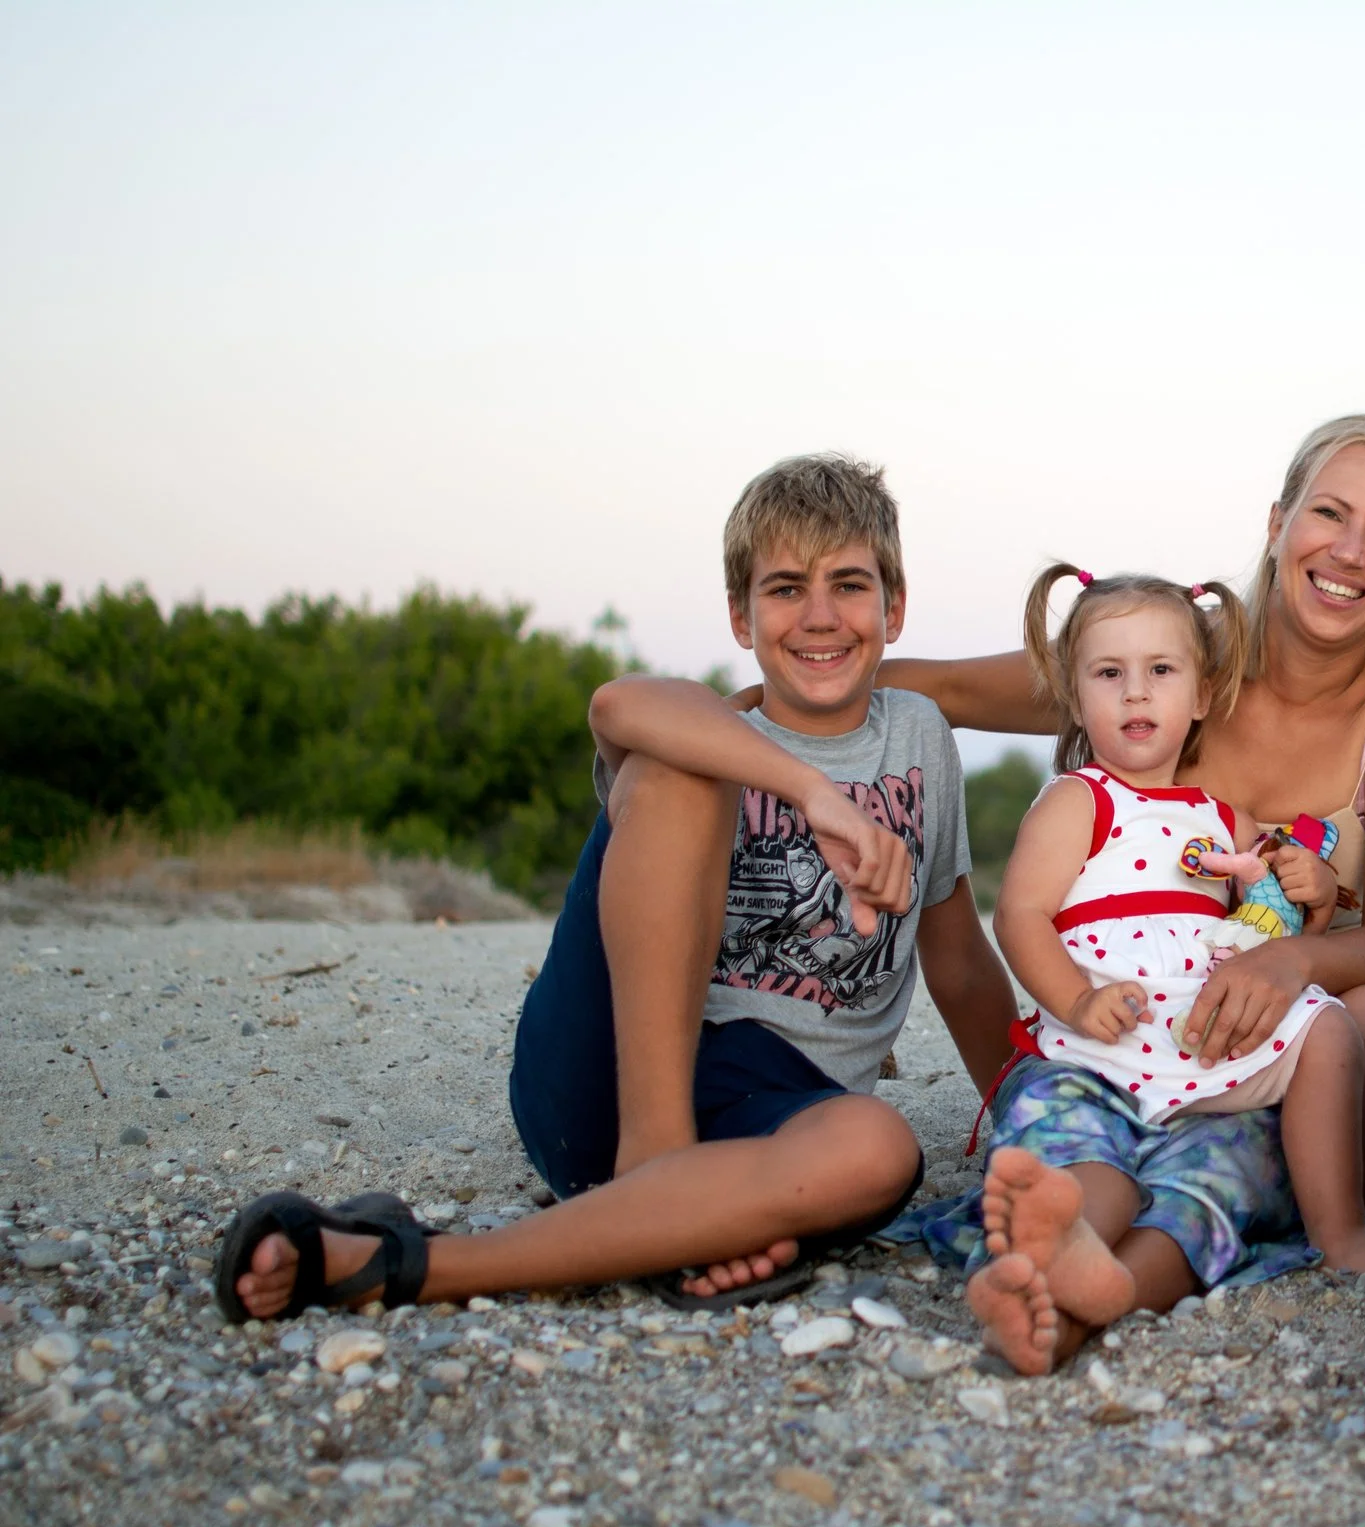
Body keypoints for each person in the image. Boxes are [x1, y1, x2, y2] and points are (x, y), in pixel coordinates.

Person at [213, 452, 1019, 1322]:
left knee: (879, 1148)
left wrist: (1033, 1122)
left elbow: (962, 963)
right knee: (683, 766)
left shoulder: (922, 738)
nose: (818, 616)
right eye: (784, 588)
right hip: (609, 1072)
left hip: (771, 1111)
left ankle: (458, 1252)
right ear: (740, 616)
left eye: (849, 585)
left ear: (893, 608)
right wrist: (810, 791)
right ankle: (640, 1185)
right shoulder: (714, 724)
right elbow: (616, 704)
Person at [881, 415, 1365, 1225]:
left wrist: (1292, 960)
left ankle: (1313, 1211)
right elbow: (950, 690)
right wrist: (770, 712)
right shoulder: (1169, 662)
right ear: (1277, 524)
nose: (1349, 552)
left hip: (1264, 1052)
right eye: (1330, 513)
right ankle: (1057, 1149)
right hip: (1120, 1037)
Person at [900, 568, 1365, 1375]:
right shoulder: (1080, 800)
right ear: (1075, 699)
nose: (1135, 693)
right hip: (1096, 1048)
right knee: (1089, 1169)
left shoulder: (1223, 816)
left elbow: (1270, 910)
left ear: (1204, 695)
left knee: (1305, 1062)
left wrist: (1310, 892)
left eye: (1161, 671)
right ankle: (1061, 1265)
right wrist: (1077, 997)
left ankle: (1334, 1228)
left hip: (1204, 1052)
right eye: (1109, 674)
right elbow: (1021, 915)